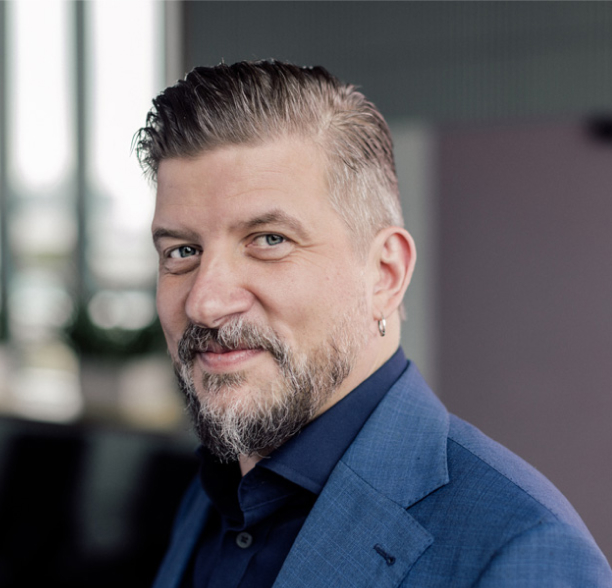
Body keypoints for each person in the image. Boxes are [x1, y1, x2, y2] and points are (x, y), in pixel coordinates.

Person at [135, 60, 612, 587]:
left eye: (269, 240)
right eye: (182, 251)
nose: (205, 302)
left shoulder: (524, 551)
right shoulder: (210, 496)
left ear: (385, 275)